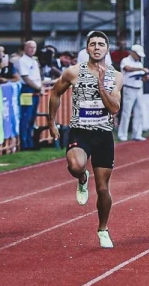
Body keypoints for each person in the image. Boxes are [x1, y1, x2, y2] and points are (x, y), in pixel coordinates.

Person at [47, 31, 122, 248]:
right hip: (80, 131)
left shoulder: (115, 76)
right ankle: (81, 178)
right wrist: (51, 122)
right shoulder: (73, 72)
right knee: (75, 164)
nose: (97, 48)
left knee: (102, 189)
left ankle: (103, 229)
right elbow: (54, 93)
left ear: (107, 49)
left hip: (103, 135)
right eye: (93, 44)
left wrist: (100, 84)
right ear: (87, 49)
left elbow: (114, 108)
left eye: (101, 44)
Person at [118, 43, 149, 142]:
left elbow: (142, 76)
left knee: (139, 112)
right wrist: (141, 69)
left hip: (139, 88)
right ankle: (122, 134)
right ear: (133, 53)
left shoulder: (139, 63)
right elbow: (127, 68)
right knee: (126, 112)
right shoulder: (125, 60)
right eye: (138, 55)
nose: (139, 57)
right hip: (129, 89)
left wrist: (145, 77)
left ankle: (137, 134)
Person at [16, 39, 43, 150]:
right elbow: (26, 78)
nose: (32, 50)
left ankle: (30, 141)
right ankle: (24, 142)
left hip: (36, 89)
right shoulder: (23, 61)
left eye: (34, 48)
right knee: (26, 116)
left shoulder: (34, 61)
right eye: (30, 47)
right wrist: (38, 88)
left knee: (32, 117)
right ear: (25, 48)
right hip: (28, 90)